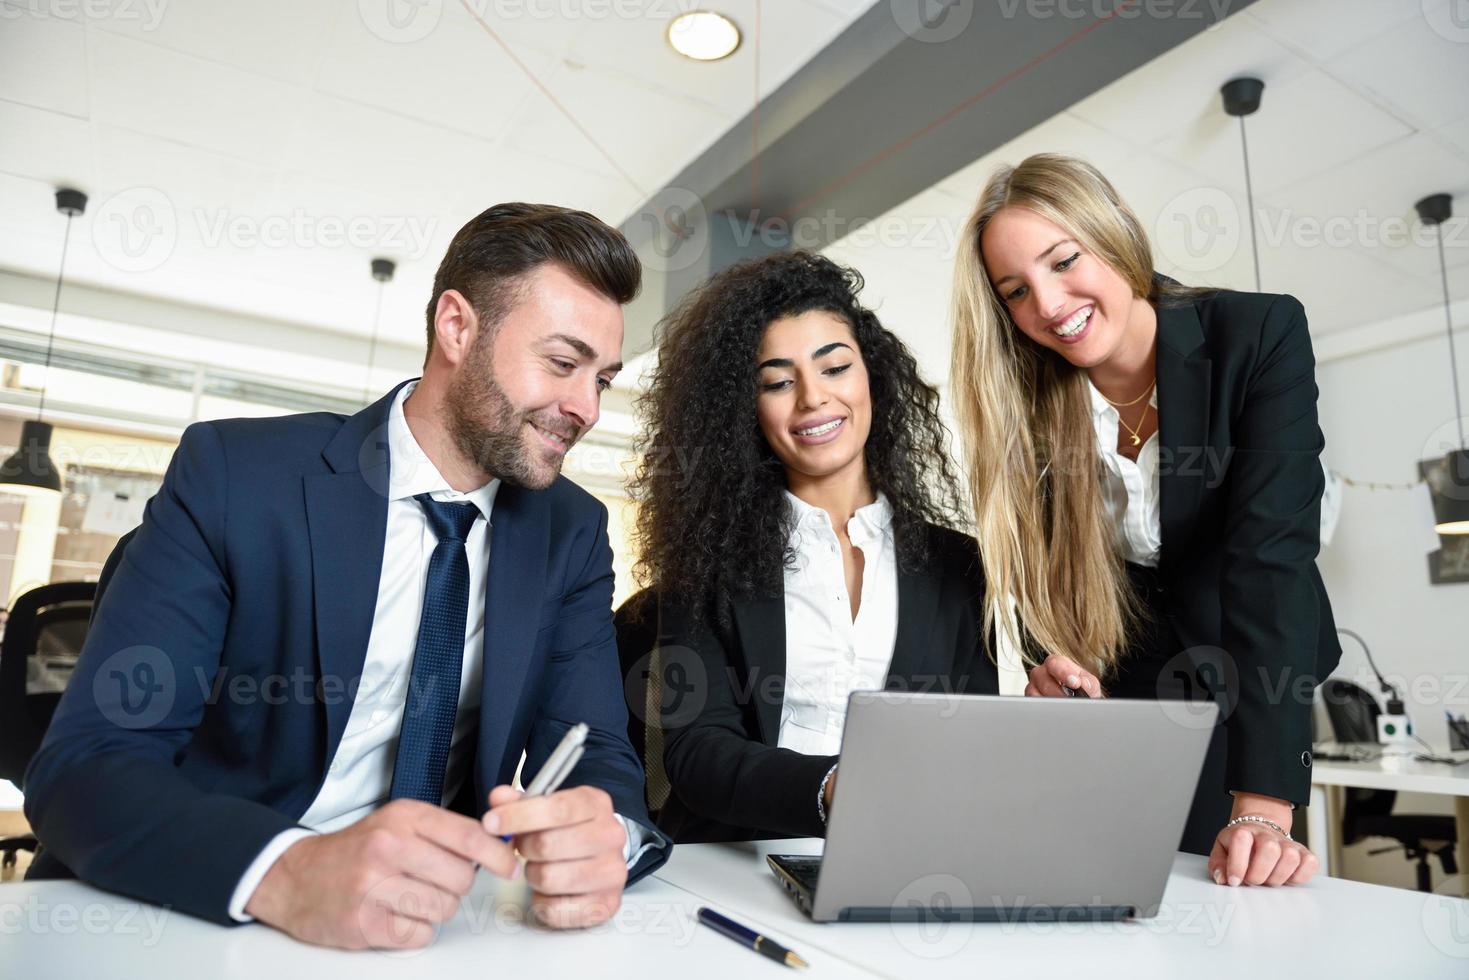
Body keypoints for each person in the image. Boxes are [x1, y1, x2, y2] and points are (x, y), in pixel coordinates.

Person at [24, 203, 669, 947]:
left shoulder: (571, 532)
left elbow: (596, 752)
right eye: (562, 363)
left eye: (603, 379)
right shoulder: (237, 476)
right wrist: (290, 872)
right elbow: (88, 766)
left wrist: (607, 837)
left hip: (428, 931)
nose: (586, 407)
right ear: (456, 328)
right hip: (202, 911)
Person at [949, 153, 1340, 888]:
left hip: (1251, 663)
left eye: (1064, 261)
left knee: (1235, 886)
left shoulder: (1255, 335)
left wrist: (1262, 802)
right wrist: (1046, 660)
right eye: (1016, 291)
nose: (1049, 303)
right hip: (1124, 677)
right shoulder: (1028, 401)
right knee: (1114, 884)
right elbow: (1037, 556)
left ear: (1114, 233)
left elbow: (1270, 560)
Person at [631, 250, 997, 843]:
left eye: (834, 367)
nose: (813, 399)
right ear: (745, 412)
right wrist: (827, 788)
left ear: (872, 376)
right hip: (735, 863)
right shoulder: (706, 564)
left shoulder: (959, 566)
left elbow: (967, 742)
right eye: (778, 381)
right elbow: (696, 751)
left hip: (900, 858)